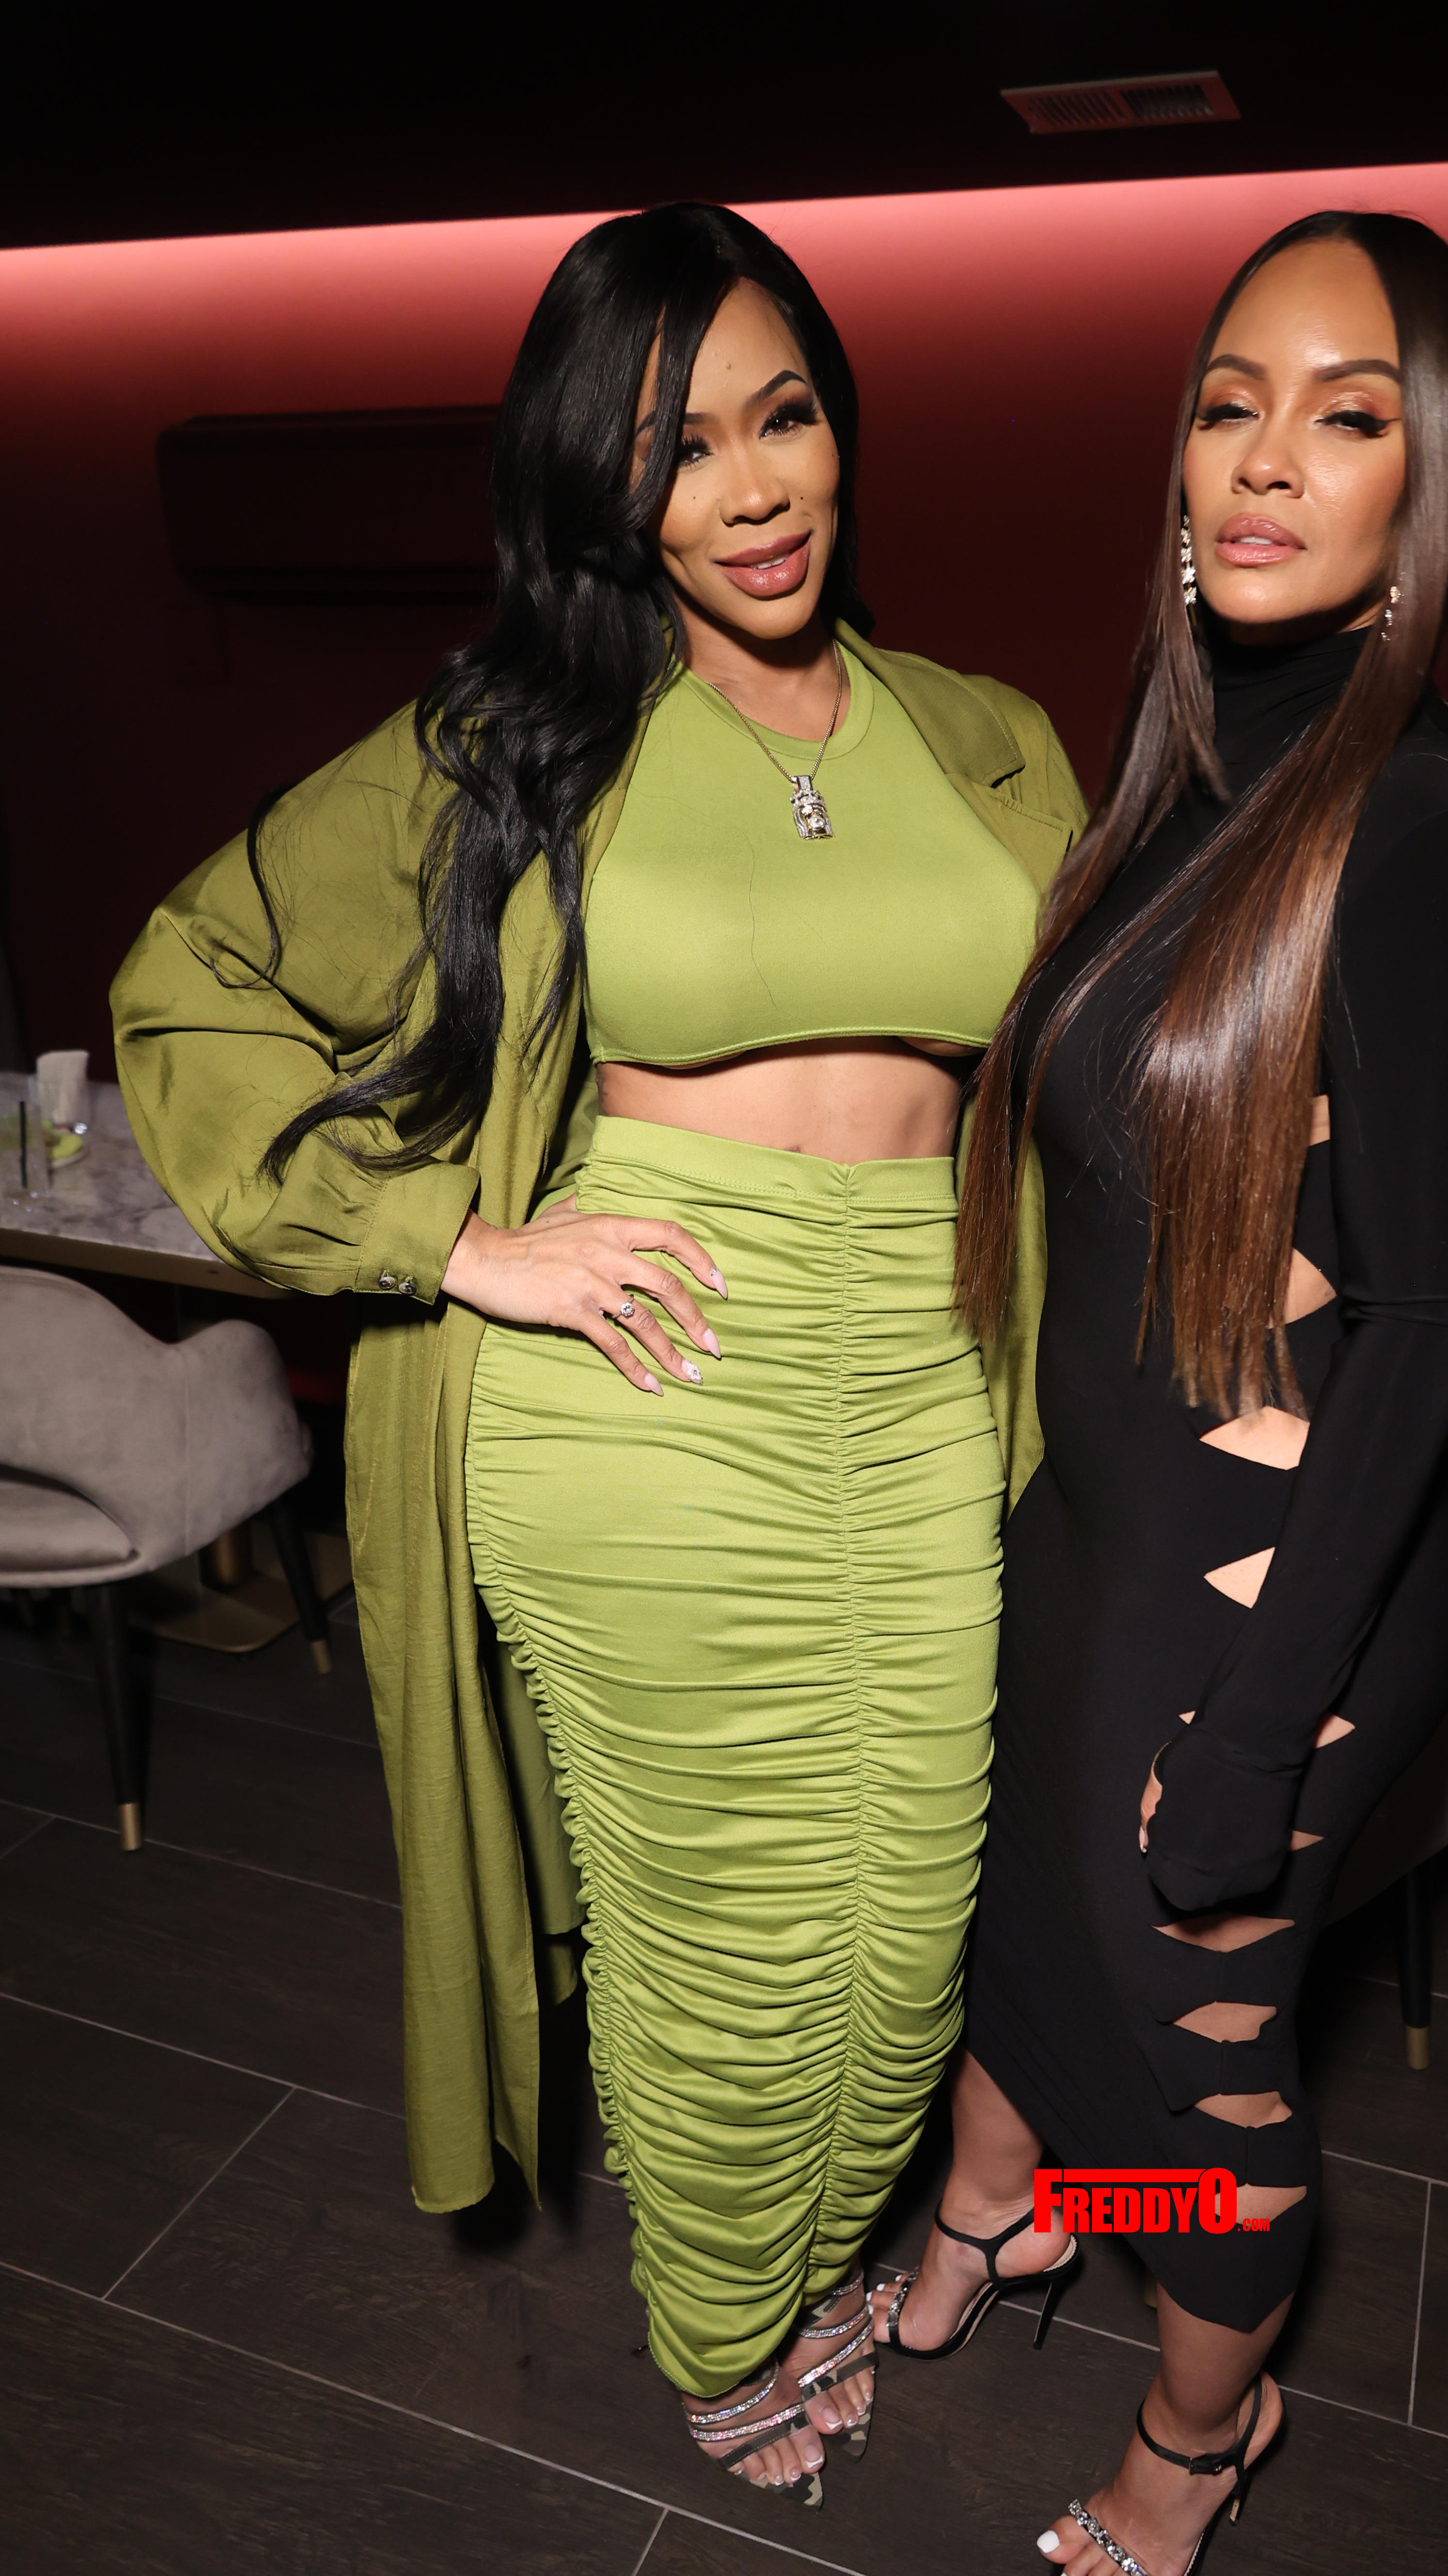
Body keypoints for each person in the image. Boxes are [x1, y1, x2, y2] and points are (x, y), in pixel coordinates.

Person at [111, 202, 1086, 2508]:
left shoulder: (989, 737)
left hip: (930, 1374)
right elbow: (187, 978)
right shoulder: (521, 743)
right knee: (724, 1929)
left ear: (841, 423)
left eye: (783, 417)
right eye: (676, 452)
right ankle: (728, 2326)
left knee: (907, 1924)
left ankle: (831, 2252)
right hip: (656, 1374)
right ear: (600, 489)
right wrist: (456, 1242)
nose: (751, 489)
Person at [872, 210, 1448, 2574]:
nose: (1267, 461)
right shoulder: (1180, 776)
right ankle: (1004, 2206)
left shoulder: (1426, 833)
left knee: (1205, 2083)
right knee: (1024, 1958)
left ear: (1423, 481)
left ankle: (1196, 2440)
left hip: (1270, 1606)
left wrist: (1257, 1738)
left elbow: (1428, 1331)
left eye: (1346, 417)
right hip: (1102, 1542)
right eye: (1230, 403)